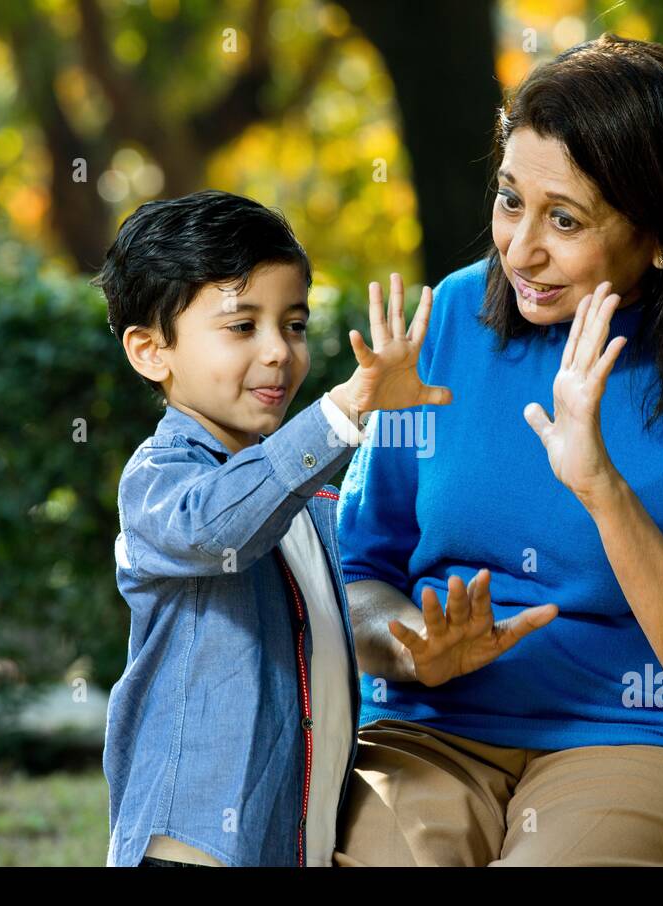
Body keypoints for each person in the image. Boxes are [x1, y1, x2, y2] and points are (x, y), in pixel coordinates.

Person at [334, 34, 663, 866]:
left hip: (656, 739)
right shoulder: (453, 318)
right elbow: (356, 577)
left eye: (565, 219)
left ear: (661, 232)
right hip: (437, 730)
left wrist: (601, 487)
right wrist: (413, 646)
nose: (519, 248)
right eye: (509, 200)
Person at [96, 190, 450, 866]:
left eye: (293, 324)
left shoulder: (311, 500)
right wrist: (345, 408)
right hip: (193, 849)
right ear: (149, 351)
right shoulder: (162, 479)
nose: (279, 353)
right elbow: (219, 528)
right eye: (241, 326)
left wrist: (423, 649)